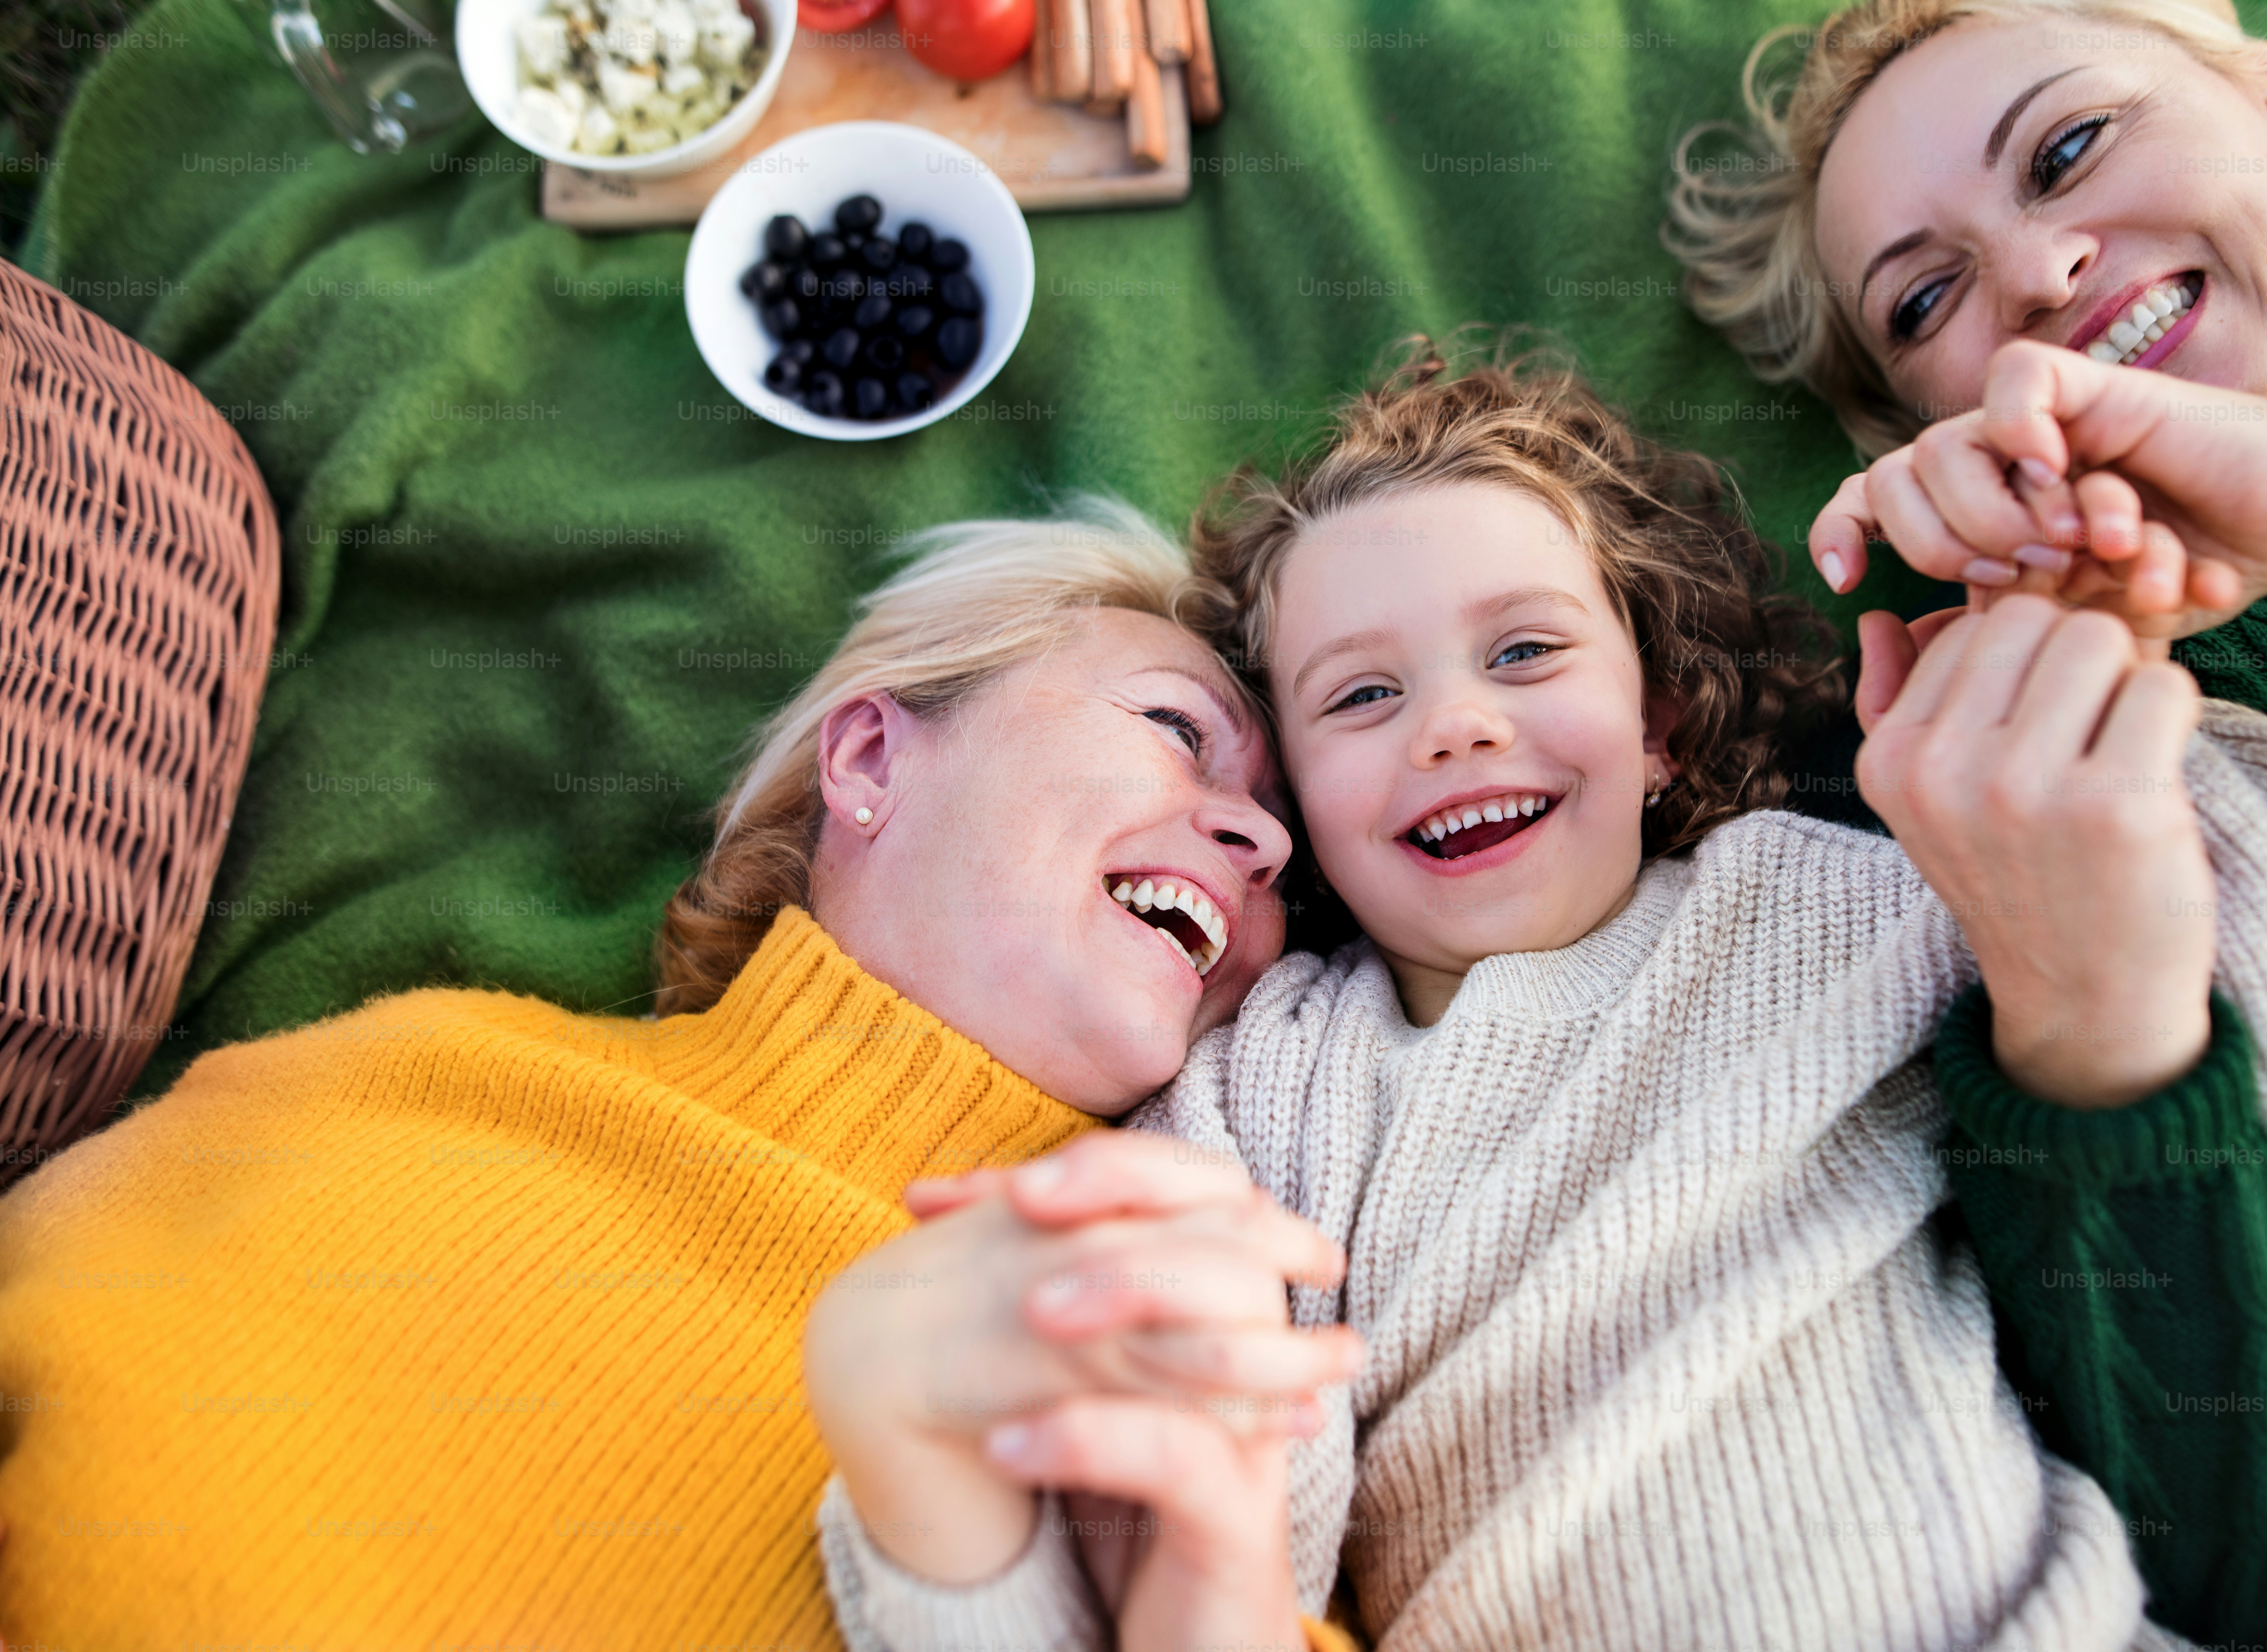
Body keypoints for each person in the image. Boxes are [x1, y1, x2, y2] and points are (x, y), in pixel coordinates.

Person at [807, 347, 2267, 1652]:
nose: (1453, 726)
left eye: (1526, 654)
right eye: (1363, 695)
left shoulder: (1838, 896)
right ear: (1302, 810)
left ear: (1665, 717)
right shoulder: (1269, 1091)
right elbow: (1169, 1516)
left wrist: (2103, 678)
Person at [0, 504, 1356, 1648]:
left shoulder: (1160, 1341)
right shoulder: (412, 1074)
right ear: (873, 756)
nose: (1256, 841)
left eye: (1289, 849)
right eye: (1179, 728)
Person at [1666, 2, 2267, 1638]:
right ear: (1933, 439)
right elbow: (2255, 1573)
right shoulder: (1954, 801)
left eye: (2069, 149)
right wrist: (2097, 1033)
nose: (2037, 272)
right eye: (1927, 298)